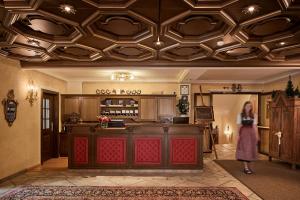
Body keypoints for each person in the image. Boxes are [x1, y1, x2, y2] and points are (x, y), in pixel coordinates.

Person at [236, 101, 259, 174]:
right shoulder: (240, 115)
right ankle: (246, 168)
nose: (249, 107)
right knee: (245, 150)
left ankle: (250, 167)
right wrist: (238, 135)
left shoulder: (254, 115)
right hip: (244, 134)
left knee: (251, 150)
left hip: (252, 134)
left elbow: (255, 126)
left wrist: (257, 135)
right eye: (247, 106)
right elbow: (239, 126)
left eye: (250, 106)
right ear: (244, 106)